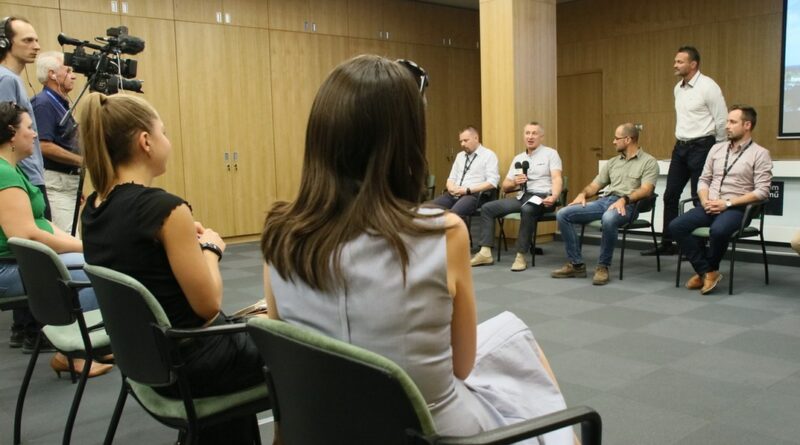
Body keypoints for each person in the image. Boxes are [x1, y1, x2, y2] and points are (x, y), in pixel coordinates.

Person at [261, 55, 571, 444]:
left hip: (324, 428)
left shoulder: (279, 235)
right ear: (406, 141)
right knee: (518, 341)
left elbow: (287, 353)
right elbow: (461, 366)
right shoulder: (443, 233)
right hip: (430, 431)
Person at [79, 92, 264, 444]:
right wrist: (211, 248)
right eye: (163, 132)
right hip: (195, 360)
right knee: (303, 349)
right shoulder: (163, 208)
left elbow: (137, 257)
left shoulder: (94, 209)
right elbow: (208, 307)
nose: (168, 140)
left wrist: (179, 238)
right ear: (145, 141)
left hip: (149, 361)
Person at [0, 101, 110, 377]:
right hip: (8, 269)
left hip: (21, 262)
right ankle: (73, 352)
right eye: (29, 128)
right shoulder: (3, 173)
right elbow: (27, 235)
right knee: (94, 270)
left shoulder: (12, 169)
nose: (35, 134)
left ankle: (87, 344)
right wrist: (85, 249)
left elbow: (42, 222)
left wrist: (82, 247)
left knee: (93, 260)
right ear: (12, 133)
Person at [669, 105, 773, 294]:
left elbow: (762, 191)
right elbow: (703, 180)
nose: (727, 126)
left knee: (718, 230)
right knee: (676, 226)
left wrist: (727, 203)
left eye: (732, 122)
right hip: (710, 204)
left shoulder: (760, 153)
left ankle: (706, 271)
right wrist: (704, 200)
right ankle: (707, 272)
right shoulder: (716, 149)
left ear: (747, 125)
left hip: (737, 209)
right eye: (727, 121)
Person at [642, 45, 727, 256]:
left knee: (698, 196)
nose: (675, 65)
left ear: (693, 64)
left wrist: (718, 150)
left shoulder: (708, 86)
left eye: (680, 62)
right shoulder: (677, 88)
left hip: (703, 146)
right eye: (675, 61)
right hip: (680, 146)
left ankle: (699, 247)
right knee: (670, 194)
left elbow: (722, 120)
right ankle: (668, 243)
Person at [552, 123, 659, 285]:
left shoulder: (649, 162)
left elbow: (646, 190)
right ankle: (576, 264)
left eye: (616, 138)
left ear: (628, 139)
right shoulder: (613, 162)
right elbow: (595, 185)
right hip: (605, 201)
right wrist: (582, 194)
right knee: (563, 213)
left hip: (629, 205)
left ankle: (603, 266)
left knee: (609, 218)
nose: (613, 142)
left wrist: (624, 199)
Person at [470, 122, 563, 271]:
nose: (530, 137)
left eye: (534, 133)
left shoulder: (550, 154)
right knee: (487, 208)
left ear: (541, 136)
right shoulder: (518, 158)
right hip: (523, 197)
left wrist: (554, 196)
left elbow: (557, 178)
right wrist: (515, 182)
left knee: (527, 210)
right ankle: (485, 253)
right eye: (527, 133)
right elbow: (505, 186)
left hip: (543, 197)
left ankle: (521, 256)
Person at [0, 17, 47, 217]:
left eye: (36, 40)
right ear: (5, 43)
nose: (36, 46)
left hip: (27, 176)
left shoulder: (12, 78)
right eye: (27, 40)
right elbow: (7, 132)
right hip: (23, 177)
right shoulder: (6, 79)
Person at [31, 51, 81, 234]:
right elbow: (43, 146)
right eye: (68, 71)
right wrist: (81, 161)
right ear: (52, 74)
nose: (73, 76)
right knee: (67, 240)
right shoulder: (43, 103)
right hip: (56, 185)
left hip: (68, 183)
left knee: (72, 236)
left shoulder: (59, 103)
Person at [432, 126, 499, 217]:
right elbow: (451, 178)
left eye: (466, 140)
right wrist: (451, 187)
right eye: (461, 141)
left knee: (452, 215)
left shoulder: (488, 155)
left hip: (473, 195)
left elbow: (492, 182)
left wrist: (467, 190)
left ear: (476, 138)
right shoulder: (460, 156)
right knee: (427, 209)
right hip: (454, 194)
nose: (462, 144)